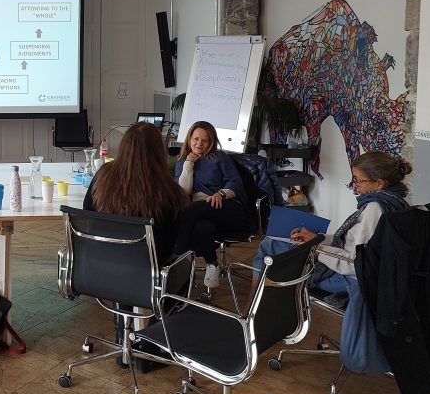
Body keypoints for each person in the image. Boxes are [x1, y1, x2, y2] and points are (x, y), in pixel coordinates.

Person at [251, 151, 412, 297]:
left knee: (269, 244)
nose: (354, 185)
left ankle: (253, 307)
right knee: (276, 248)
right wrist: (317, 238)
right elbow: (352, 245)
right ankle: (266, 302)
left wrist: (316, 248)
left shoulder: (374, 209)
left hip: (350, 280)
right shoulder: (398, 203)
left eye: (357, 180)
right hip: (365, 277)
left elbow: (356, 264)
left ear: (379, 184)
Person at [83, 121, 189, 263]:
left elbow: (87, 214)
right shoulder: (171, 192)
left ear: (123, 146)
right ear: (159, 150)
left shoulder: (103, 175)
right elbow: (171, 245)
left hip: (99, 264)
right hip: (146, 275)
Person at [173, 120, 251, 289]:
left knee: (191, 209)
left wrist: (221, 193)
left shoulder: (219, 158)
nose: (199, 144)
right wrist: (189, 164)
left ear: (211, 142)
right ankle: (212, 264)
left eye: (204, 140)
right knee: (202, 227)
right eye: (195, 139)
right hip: (200, 213)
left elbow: (235, 182)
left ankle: (178, 256)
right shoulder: (182, 163)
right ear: (189, 139)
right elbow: (183, 191)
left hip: (227, 207)